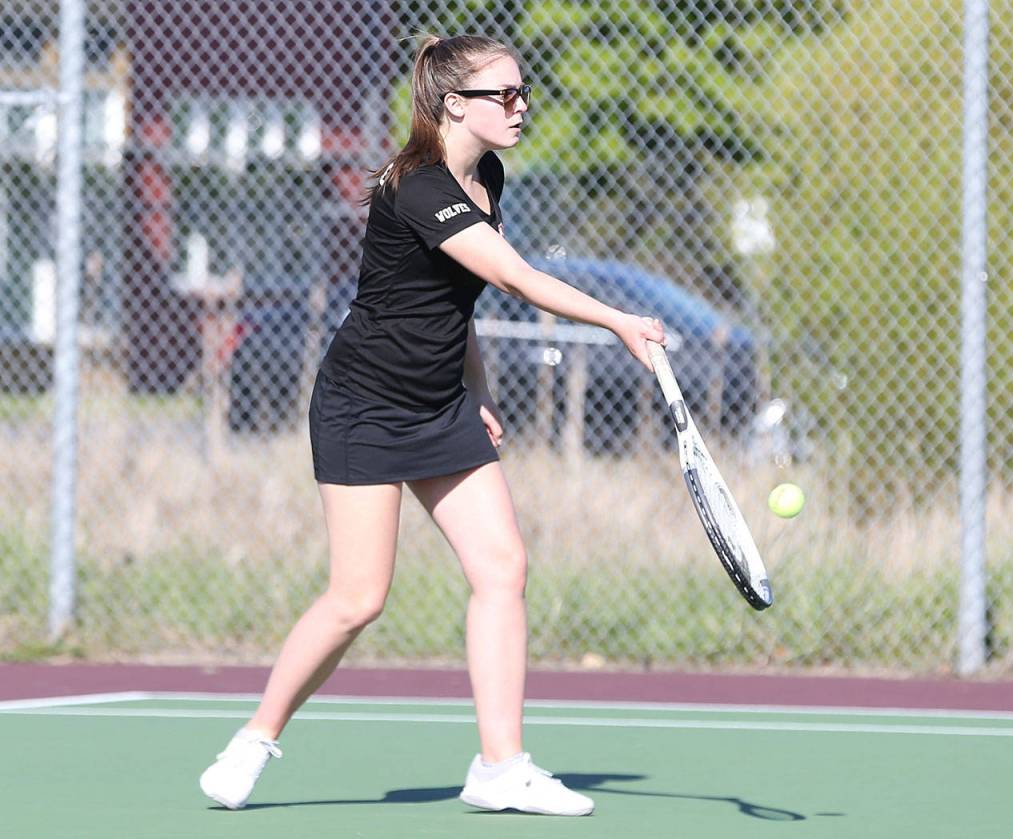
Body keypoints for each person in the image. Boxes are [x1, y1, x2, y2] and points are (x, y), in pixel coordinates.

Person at [199, 33, 664, 817]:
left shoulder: (487, 174)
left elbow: (458, 298)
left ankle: (499, 765)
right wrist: (617, 319)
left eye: (524, 92)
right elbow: (512, 276)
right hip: (363, 404)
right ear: (453, 104)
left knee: (502, 568)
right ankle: (254, 737)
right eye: (503, 95)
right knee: (358, 596)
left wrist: (473, 386)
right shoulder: (415, 185)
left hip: (439, 403)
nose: (520, 107)